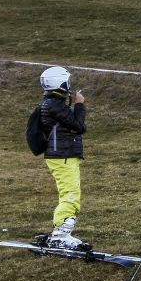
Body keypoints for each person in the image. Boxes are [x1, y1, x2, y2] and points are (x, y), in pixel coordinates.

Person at [35, 66, 89, 250]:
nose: (70, 85)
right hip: (62, 156)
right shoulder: (54, 105)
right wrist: (80, 104)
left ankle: (61, 232)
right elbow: (79, 126)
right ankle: (60, 234)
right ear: (59, 83)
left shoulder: (52, 103)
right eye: (67, 81)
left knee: (69, 193)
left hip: (62, 155)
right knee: (71, 196)